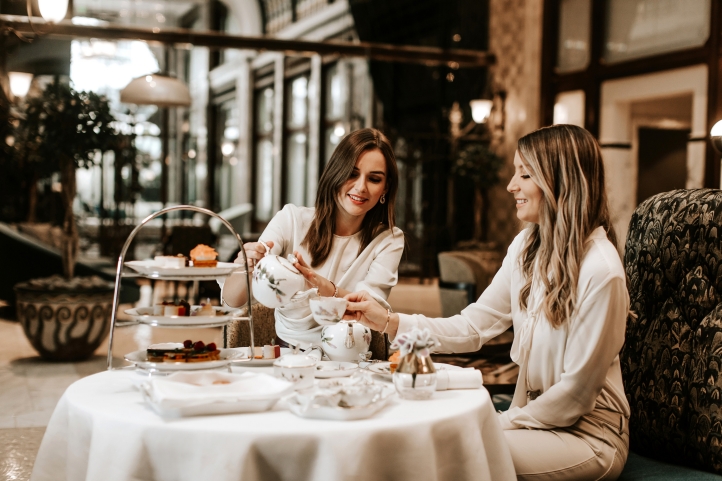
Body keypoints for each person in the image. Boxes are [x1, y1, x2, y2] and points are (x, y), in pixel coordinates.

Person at [344, 124, 630, 480]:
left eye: (524, 174)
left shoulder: (602, 272)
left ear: (560, 182)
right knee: (421, 441)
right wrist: (388, 321)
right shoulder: (527, 247)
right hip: (532, 422)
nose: (511, 185)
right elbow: (474, 325)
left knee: (445, 456)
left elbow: (574, 397)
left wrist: (498, 422)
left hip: (588, 436)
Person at [221, 127, 404, 347]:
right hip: (290, 358)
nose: (361, 187)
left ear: (385, 189)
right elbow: (232, 302)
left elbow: (372, 307)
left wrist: (321, 286)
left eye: (374, 179)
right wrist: (247, 265)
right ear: (336, 172)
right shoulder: (292, 220)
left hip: (352, 358)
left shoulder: (388, 239)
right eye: (352, 173)